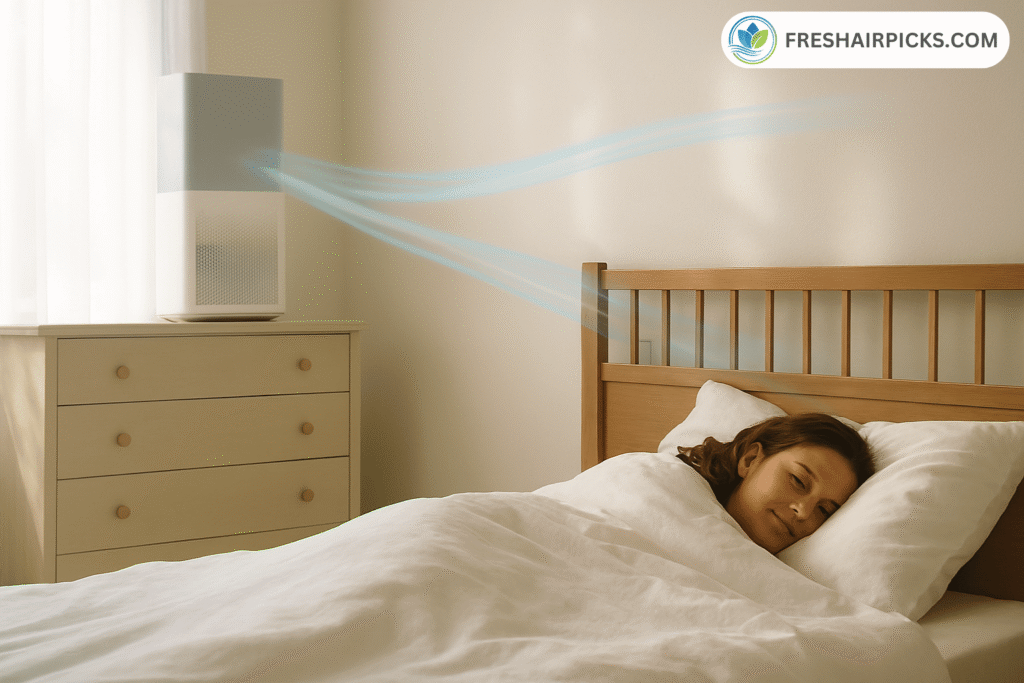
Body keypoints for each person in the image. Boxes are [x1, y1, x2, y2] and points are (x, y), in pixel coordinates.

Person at [677, 414, 874, 553]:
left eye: (824, 510)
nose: (804, 512)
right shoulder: (670, 486)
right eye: (798, 481)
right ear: (750, 459)